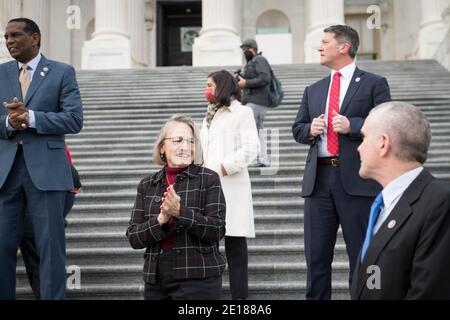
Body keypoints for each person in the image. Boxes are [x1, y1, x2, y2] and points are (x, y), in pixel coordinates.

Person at [291, 25, 391, 300]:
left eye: (324, 42)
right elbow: (297, 128)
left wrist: (354, 126)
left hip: (358, 181)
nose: (319, 47)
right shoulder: (313, 89)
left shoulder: (374, 83)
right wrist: (309, 129)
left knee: (363, 255)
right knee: (316, 258)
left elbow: (387, 126)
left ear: (344, 47)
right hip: (318, 182)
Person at [0, 18, 83, 299]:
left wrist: (32, 117)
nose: (9, 40)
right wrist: (11, 122)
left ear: (34, 38)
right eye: (6, 36)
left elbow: (74, 119)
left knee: (50, 248)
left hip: (47, 173)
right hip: (5, 174)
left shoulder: (62, 72)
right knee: (1, 246)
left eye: (15, 35)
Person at [352, 101, 450, 299]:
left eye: (363, 138)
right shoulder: (384, 205)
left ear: (382, 143)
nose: (358, 148)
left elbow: (429, 292)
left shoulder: (440, 203)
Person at [126, 115, 226, 300]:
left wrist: (181, 213)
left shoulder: (209, 179)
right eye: (178, 140)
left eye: (191, 141)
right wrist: (160, 220)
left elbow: (216, 229)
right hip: (156, 280)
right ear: (162, 147)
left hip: (199, 277)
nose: (186, 147)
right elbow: (134, 238)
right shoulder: (147, 184)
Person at [200, 70, 259, 300]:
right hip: (206, 189)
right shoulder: (208, 115)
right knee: (207, 248)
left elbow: (251, 148)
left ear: (222, 86)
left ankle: (239, 300)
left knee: (235, 249)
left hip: (231, 186)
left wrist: (224, 167)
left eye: (210, 85)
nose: (206, 90)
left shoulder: (242, 113)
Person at [20, 146, 82, 299]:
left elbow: (73, 182)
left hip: (34, 220)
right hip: (33, 217)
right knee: (40, 268)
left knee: (40, 268)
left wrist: (57, 217)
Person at [237, 38, 271, 167]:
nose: (244, 52)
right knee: (256, 130)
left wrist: (246, 82)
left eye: (246, 49)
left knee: (252, 130)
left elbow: (265, 78)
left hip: (257, 101)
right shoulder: (252, 62)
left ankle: (259, 158)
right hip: (252, 100)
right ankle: (261, 158)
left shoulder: (259, 60)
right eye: (243, 50)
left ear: (253, 49)